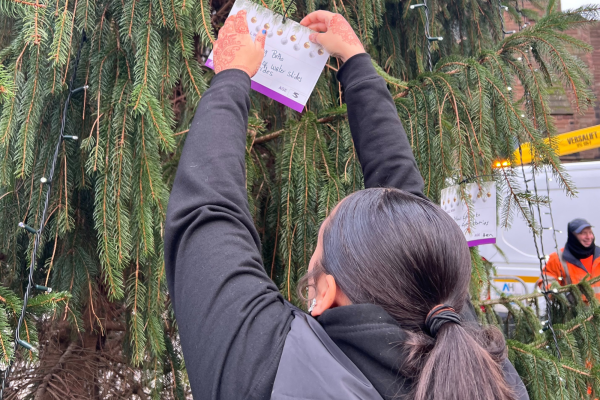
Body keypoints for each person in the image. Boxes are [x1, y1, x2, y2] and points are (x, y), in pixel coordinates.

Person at [164, 9, 529, 400]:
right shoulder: (487, 372)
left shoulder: (273, 373)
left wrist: (230, 77)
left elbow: (206, 218)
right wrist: (356, 63)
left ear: (324, 293)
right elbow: (407, 212)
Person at [542, 218, 600, 299]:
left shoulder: (598, 256)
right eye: (583, 233)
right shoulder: (558, 258)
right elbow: (546, 281)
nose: (589, 237)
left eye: (590, 233)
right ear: (572, 236)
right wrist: (560, 299)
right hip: (573, 310)